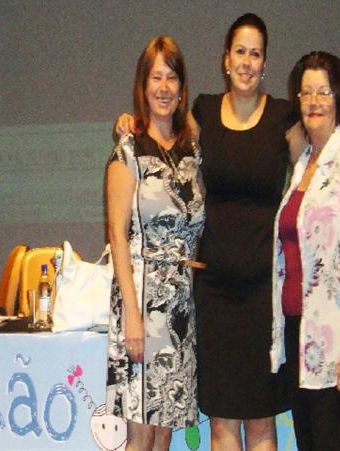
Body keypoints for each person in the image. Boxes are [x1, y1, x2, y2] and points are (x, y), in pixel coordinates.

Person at [114, 14, 340, 450]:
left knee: (262, 423)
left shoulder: (284, 119)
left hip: (265, 296)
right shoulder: (204, 114)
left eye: (256, 53)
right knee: (221, 423)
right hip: (212, 296)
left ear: (264, 63)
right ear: (225, 60)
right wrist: (130, 121)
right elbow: (166, 132)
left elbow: (319, 154)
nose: (247, 61)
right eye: (240, 52)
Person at [270, 51, 340, 451]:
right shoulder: (304, 163)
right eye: (307, 93)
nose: (315, 101)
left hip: (339, 341)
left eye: (324, 91)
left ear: (339, 98)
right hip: (301, 337)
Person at [106, 35, 205, 451]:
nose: (163, 87)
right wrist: (132, 316)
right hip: (141, 305)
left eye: (172, 77)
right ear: (142, 86)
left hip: (180, 308)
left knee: (163, 433)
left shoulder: (191, 149)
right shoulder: (129, 148)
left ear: (182, 88)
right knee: (141, 437)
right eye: (155, 77)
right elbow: (116, 233)